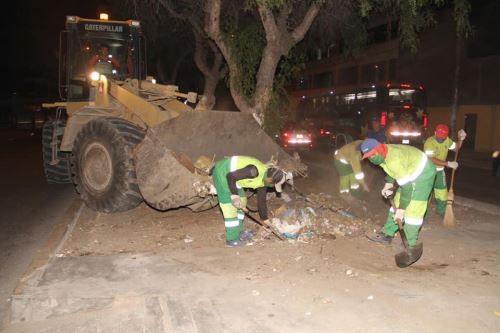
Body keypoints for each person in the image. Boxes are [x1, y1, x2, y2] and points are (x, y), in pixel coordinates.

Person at [361, 138, 436, 247]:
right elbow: (392, 170)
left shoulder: (392, 159)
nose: (371, 159)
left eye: (372, 155)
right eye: (368, 157)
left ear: (379, 150)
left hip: (423, 172)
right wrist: (389, 183)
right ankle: (387, 235)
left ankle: (409, 243)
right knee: (396, 203)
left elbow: (407, 186)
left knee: (413, 209)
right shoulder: (384, 153)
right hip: (409, 168)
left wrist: (402, 209)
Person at [211, 156, 291, 247]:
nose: (272, 186)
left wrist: (265, 219)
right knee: (230, 208)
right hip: (223, 173)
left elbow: (261, 200)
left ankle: (239, 231)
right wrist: (234, 195)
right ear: (270, 179)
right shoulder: (253, 171)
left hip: (235, 180)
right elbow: (230, 176)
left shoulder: (265, 179)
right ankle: (231, 240)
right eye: (274, 184)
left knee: (242, 201)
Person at [424, 124, 467, 216]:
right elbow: (431, 159)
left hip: (440, 171)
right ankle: (423, 215)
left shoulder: (447, 140)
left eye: (443, 138)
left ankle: (442, 212)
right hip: (428, 171)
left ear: (446, 136)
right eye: (439, 137)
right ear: (435, 133)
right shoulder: (429, 142)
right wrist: (448, 164)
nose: (441, 140)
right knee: (426, 194)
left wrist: (461, 139)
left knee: (443, 194)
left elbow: (456, 148)